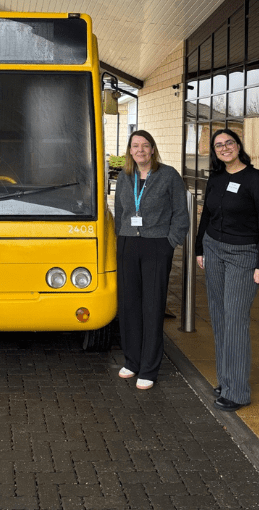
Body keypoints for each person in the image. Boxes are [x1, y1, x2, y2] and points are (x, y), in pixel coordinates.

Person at [196, 128, 259, 412]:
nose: (224, 147)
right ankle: (226, 379)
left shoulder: (256, 180)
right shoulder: (215, 178)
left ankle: (238, 391)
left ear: (239, 146)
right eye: (219, 145)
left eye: (229, 142)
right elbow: (206, 214)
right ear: (214, 152)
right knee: (218, 316)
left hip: (243, 255)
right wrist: (199, 248)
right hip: (213, 249)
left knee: (236, 320)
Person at [114, 130, 189, 389]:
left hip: (157, 245)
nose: (141, 150)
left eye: (145, 146)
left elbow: (181, 213)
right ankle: (132, 361)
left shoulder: (168, 176)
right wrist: (121, 239)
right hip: (127, 244)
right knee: (129, 305)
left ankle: (148, 367)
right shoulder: (125, 177)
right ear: (130, 151)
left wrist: (170, 243)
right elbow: (120, 212)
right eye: (135, 146)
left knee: (152, 305)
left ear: (153, 149)